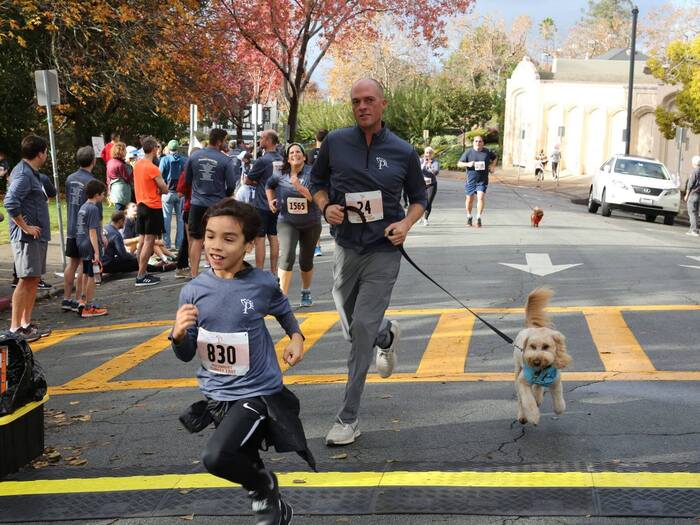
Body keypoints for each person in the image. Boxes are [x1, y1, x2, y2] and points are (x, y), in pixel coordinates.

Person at [170, 198, 313, 525]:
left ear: (249, 244)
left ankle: (263, 488)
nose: (215, 246)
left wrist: (296, 336)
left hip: (257, 392)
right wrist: (178, 336)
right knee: (240, 458)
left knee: (216, 456)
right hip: (217, 396)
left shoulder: (261, 283)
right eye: (209, 236)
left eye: (228, 238)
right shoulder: (193, 291)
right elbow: (186, 353)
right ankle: (273, 501)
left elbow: (282, 308)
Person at [310, 78, 427, 446]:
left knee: (359, 330)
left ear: (383, 104)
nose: (362, 106)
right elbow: (317, 183)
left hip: (383, 251)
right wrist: (325, 207)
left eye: (369, 100)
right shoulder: (335, 143)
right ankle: (384, 334)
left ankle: (348, 418)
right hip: (346, 248)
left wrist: (405, 224)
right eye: (356, 101)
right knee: (351, 323)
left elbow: (419, 198)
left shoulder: (402, 150)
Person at [3, 135, 53, 341]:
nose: (46, 155)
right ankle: (15, 328)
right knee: (25, 280)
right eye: (46, 151)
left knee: (33, 279)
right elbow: (10, 202)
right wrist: (26, 227)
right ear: (40, 153)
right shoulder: (23, 174)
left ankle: (26, 323)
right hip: (26, 239)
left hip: (37, 237)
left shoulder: (33, 173)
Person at [266, 143, 322, 307]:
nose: (295, 154)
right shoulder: (280, 173)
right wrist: (271, 201)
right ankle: (282, 297)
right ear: (288, 158)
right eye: (291, 152)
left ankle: (306, 290)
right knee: (288, 254)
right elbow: (269, 186)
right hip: (287, 221)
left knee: (306, 260)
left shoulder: (312, 174)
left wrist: (298, 186)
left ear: (304, 157)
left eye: (298, 152)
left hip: (311, 222)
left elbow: (313, 198)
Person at [185, 129, 238, 277]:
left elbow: (187, 180)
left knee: (196, 240)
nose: (226, 143)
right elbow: (232, 184)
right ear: (220, 141)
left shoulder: (194, 156)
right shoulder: (225, 160)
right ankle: (216, 273)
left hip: (196, 203)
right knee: (216, 239)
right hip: (216, 206)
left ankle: (194, 274)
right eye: (225, 141)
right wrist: (225, 195)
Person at [62, 146, 102, 311]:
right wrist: (101, 234)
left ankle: (66, 298)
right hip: (85, 230)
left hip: (72, 225)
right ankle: (81, 299)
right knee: (84, 267)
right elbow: (97, 212)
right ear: (93, 161)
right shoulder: (92, 182)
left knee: (72, 263)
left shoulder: (70, 179)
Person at [245, 130, 282, 274]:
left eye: (261, 138)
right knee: (273, 236)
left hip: (262, 203)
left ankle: (259, 272)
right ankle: (273, 271)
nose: (259, 141)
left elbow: (248, 180)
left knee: (260, 238)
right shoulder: (282, 159)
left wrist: (259, 184)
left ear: (268, 141)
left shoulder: (263, 160)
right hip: (277, 202)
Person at [134, 136, 169, 286]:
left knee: (142, 240)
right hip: (152, 206)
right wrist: (160, 189)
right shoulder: (152, 168)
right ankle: (141, 275)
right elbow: (165, 188)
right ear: (154, 149)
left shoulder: (137, 165)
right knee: (149, 241)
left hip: (140, 204)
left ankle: (142, 272)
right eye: (157, 147)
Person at [75, 180, 108, 317]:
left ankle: (82, 300)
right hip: (89, 245)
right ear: (97, 195)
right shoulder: (93, 209)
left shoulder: (83, 207)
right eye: (102, 194)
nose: (103, 196)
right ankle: (88, 306)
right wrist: (96, 252)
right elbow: (92, 231)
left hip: (81, 242)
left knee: (84, 273)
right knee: (92, 276)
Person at [102, 211, 169, 275]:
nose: (124, 224)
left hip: (100, 263)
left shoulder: (105, 227)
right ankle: (159, 268)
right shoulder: (116, 235)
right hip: (107, 265)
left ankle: (153, 265)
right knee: (135, 262)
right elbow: (123, 256)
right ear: (120, 221)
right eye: (124, 221)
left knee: (129, 261)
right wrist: (136, 257)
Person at [457, 135, 496, 228]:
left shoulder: (487, 152)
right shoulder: (468, 152)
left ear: (483, 143)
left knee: (480, 197)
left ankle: (478, 218)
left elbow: (494, 158)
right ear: (473, 142)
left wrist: (492, 166)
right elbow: (459, 164)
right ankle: (469, 216)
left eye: (480, 141)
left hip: (482, 180)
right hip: (471, 180)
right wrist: (468, 164)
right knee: (470, 199)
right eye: (476, 141)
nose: (478, 143)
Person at [159, 139, 186, 250]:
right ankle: (179, 245)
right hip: (180, 193)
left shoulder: (164, 159)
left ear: (169, 149)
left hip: (167, 192)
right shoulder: (184, 160)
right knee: (180, 220)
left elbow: (159, 175)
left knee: (166, 218)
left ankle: (167, 244)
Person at [306, 130, 328, 258]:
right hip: (329, 188)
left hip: (314, 190)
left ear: (316, 138)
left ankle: (317, 247)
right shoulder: (331, 153)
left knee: (315, 219)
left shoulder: (311, 153)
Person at [106, 142, 132, 211]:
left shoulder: (110, 162)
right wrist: (131, 167)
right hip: (121, 192)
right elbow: (127, 178)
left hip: (114, 190)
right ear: (121, 151)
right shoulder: (120, 164)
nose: (126, 152)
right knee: (120, 212)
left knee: (117, 211)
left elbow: (108, 178)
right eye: (125, 150)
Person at [420, 147, 440, 226]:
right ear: (424, 153)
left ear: (432, 154)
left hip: (431, 184)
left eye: (430, 153)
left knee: (428, 201)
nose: (428, 154)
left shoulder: (435, 162)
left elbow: (435, 173)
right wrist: (424, 164)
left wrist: (430, 166)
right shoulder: (420, 160)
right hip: (421, 184)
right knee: (421, 201)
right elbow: (418, 170)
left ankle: (425, 218)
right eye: (427, 152)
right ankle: (420, 215)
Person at [685, 155, 700, 237]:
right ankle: (694, 229)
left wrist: (686, 195)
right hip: (699, 194)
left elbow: (690, 184)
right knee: (696, 212)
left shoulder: (694, 171)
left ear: (694, 163)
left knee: (692, 212)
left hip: (693, 194)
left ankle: (694, 230)